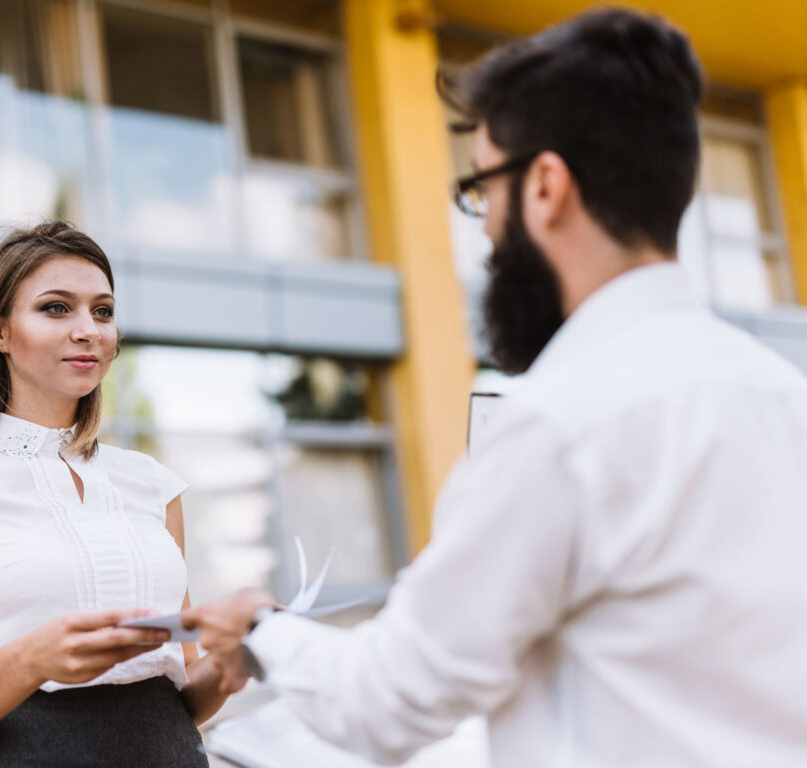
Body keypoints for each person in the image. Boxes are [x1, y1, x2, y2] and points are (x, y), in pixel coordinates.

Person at [183, 9, 807, 767]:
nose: (482, 233)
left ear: (545, 187)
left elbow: (388, 702)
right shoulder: (785, 396)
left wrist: (257, 629)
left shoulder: (558, 422)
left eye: (482, 191)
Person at [0, 221, 225, 767]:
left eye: (103, 310)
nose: (89, 329)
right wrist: (29, 661)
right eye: (56, 308)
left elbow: (182, 696)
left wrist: (233, 663)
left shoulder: (153, 485)